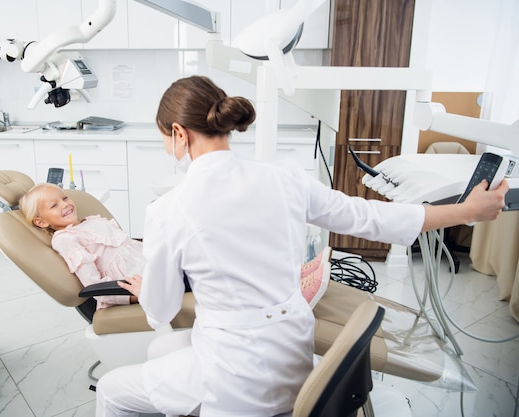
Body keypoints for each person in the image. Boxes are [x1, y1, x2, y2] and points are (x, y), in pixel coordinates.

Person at [95, 75, 508, 417]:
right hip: (292, 353)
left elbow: (162, 309)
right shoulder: (284, 177)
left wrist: (147, 287)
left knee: (112, 389)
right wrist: (466, 211)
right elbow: (370, 217)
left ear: (180, 134)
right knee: (163, 348)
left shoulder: (169, 209)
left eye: (166, 138)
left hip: (236, 375)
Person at [20, 183, 142, 309]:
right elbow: (94, 284)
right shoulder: (65, 239)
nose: (65, 204)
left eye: (65, 198)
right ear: (42, 222)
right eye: (54, 205)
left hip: (145, 264)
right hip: (133, 280)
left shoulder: (91, 220)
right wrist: (136, 297)